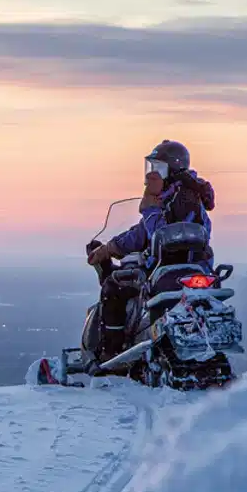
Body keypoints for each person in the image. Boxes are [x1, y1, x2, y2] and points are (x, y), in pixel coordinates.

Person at [85, 140, 216, 359]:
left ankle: (112, 354)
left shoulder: (182, 199)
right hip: (195, 268)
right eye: (151, 167)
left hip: (169, 269)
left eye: (158, 168)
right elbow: (141, 233)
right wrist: (110, 248)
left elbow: (160, 235)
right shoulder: (179, 195)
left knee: (112, 287)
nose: (152, 175)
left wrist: (150, 209)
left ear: (173, 169)